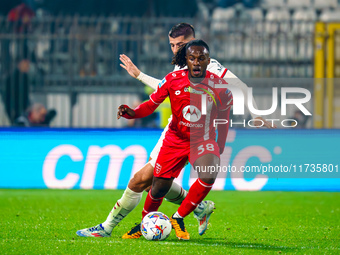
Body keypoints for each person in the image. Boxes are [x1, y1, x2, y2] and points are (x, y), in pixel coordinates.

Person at [76, 23, 274, 239]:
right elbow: (166, 87)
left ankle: (109, 227)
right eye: (172, 45)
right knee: (150, 181)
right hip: (175, 132)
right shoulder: (180, 67)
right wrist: (139, 75)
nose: (176, 49)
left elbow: (241, 87)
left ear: (193, 42)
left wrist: (256, 115)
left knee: (142, 181)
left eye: (180, 44)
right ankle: (195, 208)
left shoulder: (212, 67)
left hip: (200, 136)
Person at [118, 40, 232, 240]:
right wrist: (132, 113)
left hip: (202, 139)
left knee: (209, 174)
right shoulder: (172, 79)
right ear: (186, 60)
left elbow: (224, 119)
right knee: (159, 187)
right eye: (192, 58)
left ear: (208, 61)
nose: (196, 62)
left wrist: (220, 145)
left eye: (201, 58)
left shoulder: (220, 87)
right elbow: (151, 105)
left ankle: (178, 217)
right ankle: (145, 223)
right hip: (175, 139)